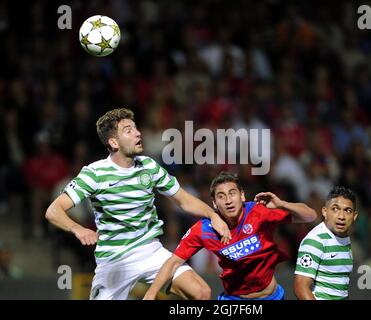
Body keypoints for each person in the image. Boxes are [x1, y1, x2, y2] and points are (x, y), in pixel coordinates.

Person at [45, 108, 231, 300]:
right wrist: (78, 229)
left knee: (202, 292)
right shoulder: (95, 173)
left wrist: (213, 215)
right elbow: (53, 211)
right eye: (128, 130)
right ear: (113, 142)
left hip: (150, 251)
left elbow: (183, 200)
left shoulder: (149, 166)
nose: (137, 133)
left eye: (135, 128)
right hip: (114, 259)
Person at [143, 171, 317, 300]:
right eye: (221, 196)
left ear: (241, 196)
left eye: (232, 193)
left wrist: (282, 204)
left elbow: (310, 216)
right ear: (214, 203)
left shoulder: (259, 212)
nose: (228, 200)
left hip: (272, 296)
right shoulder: (205, 229)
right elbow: (173, 262)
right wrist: (150, 295)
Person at [293, 186, 358, 300]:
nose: (341, 216)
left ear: (354, 216)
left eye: (347, 211)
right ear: (325, 212)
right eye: (335, 209)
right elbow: (300, 288)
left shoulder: (343, 237)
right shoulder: (315, 241)